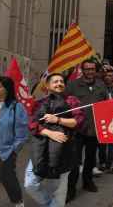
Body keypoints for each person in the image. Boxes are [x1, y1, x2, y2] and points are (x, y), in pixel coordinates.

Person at [25, 73, 84, 207]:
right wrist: (49, 133)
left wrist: (57, 119)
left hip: (63, 151)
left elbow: (78, 121)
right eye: (55, 81)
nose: (59, 84)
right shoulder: (39, 103)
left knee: (58, 190)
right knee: (30, 184)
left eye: (61, 81)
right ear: (47, 85)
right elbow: (32, 123)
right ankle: (49, 203)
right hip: (40, 149)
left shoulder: (71, 101)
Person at [65, 59, 108, 200]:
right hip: (77, 131)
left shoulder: (101, 85)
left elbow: (106, 105)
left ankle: (87, 182)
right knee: (74, 162)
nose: (90, 72)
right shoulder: (72, 85)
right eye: (87, 69)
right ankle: (70, 189)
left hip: (94, 130)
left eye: (92, 69)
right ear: (82, 70)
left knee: (90, 159)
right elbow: (65, 105)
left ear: (96, 71)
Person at [0, 76, 29, 207]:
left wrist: (13, 151)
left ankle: (18, 202)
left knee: (8, 179)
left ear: (7, 89)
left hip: (4, 148)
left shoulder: (16, 107)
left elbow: (22, 135)